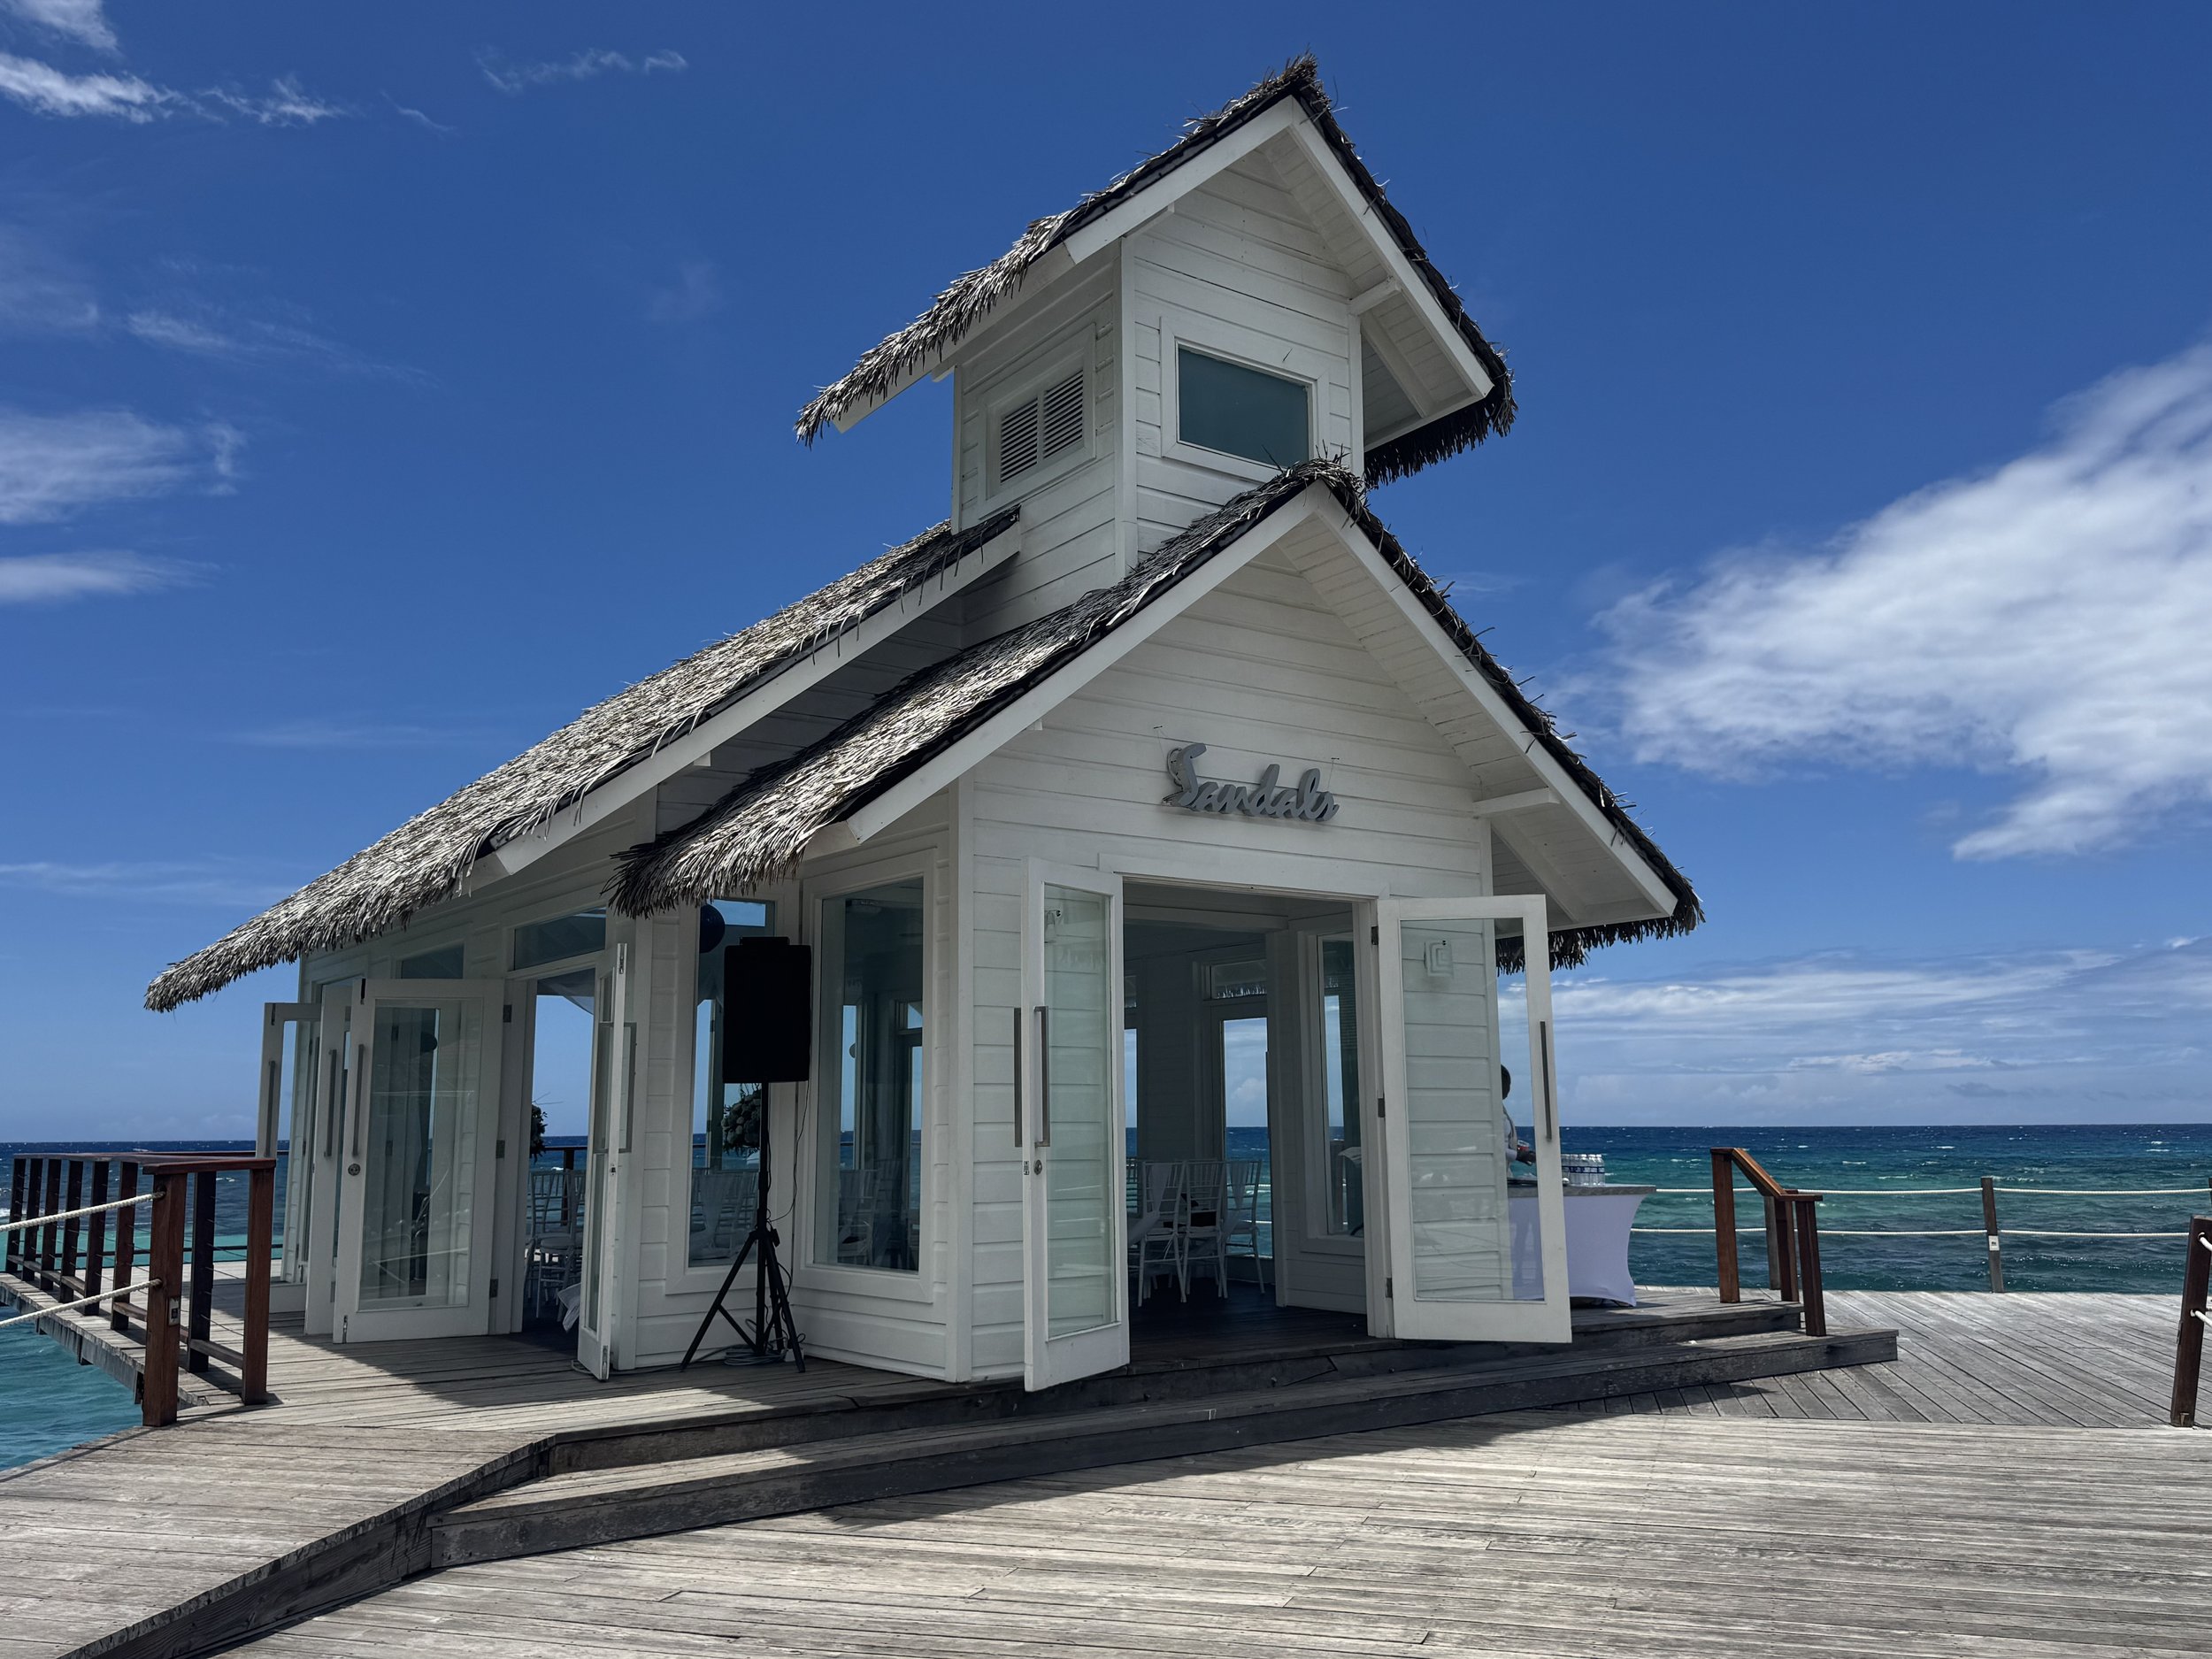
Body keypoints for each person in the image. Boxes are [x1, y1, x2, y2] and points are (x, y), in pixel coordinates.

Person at [1499, 1064, 1536, 1166]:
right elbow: (1492, 1146)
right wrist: (1519, 1155)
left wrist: (1516, 1148)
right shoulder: (1491, 1111)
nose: (1509, 1088)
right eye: (1507, 1083)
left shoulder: (1499, 1107)